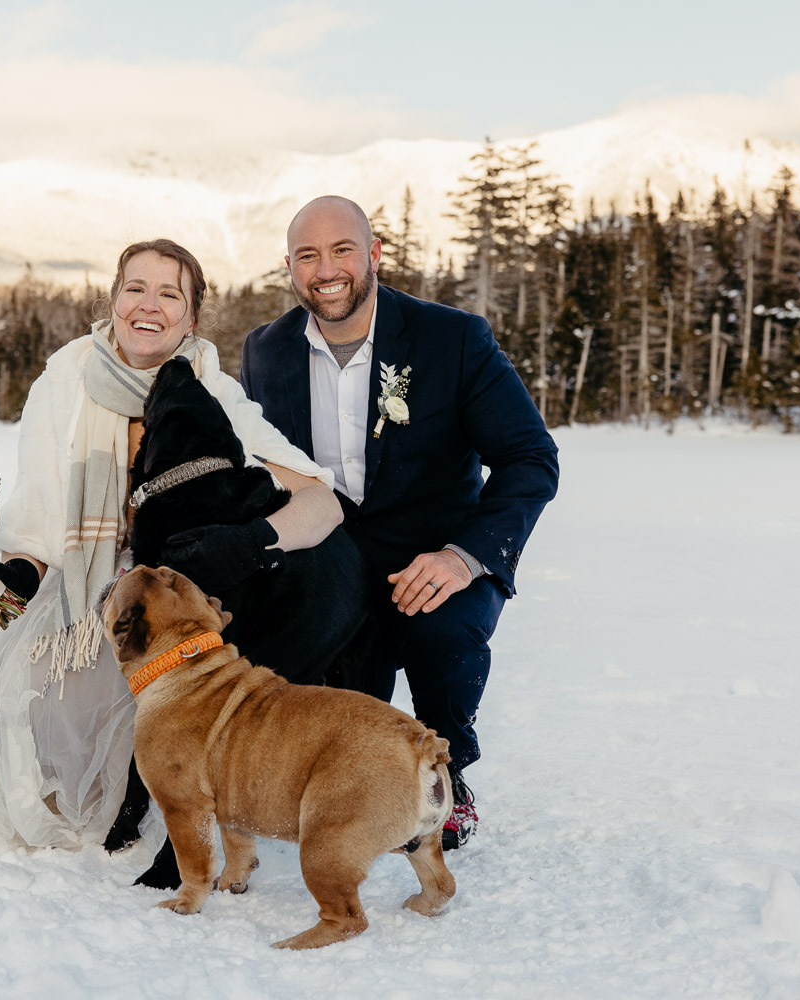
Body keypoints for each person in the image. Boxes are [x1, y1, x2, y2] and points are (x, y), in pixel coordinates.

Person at [0, 238, 347, 856]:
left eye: (169, 293)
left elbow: (323, 501)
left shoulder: (211, 389)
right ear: (113, 299)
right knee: (9, 736)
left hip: (166, 591)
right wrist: (14, 575)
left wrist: (252, 541)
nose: (148, 305)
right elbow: (43, 507)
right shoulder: (66, 377)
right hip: (83, 580)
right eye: (135, 288)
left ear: (191, 317)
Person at [239, 196, 560, 850]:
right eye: (307, 256)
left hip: (434, 554)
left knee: (442, 638)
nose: (325, 269)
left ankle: (447, 779)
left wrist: (462, 556)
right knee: (333, 688)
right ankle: (338, 779)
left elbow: (530, 458)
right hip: (331, 563)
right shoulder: (265, 351)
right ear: (290, 269)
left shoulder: (451, 338)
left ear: (374, 253)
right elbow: (259, 466)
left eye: (341, 250)